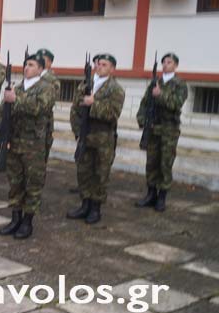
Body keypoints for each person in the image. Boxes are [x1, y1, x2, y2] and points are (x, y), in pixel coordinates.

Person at [0, 54, 56, 239]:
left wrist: (16, 100)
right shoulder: (18, 86)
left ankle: (27, 221)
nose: (26, 68)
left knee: (33, 183)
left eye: (31, 65)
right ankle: (15, 218)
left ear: (40, 69)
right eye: (25, 65)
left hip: (34, 144)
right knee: (15, 182)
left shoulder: (46, 88)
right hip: (15, 141)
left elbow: (41, 107)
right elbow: (4, 111)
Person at [67, 54, 126, 224]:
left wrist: (93, 103)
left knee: (100, 173)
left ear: (112, 69)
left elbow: (113, 113)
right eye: (98, 64)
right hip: (85, 134)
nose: (99, 66)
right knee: (83, 171)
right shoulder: (86, 84)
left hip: (103, 138)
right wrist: (77, 131)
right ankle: (84, 204)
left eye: (104, 64)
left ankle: (95, 208)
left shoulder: (116, 89)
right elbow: (75, 109)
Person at [135, 52, 188, 212]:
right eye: (164, 62)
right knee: (151, 162)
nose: (165, 65)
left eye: (169, 62)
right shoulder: (155, 82)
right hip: (152, 129)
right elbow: (145, 103)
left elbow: (176, 104)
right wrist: (142, 119)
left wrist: (161, 95)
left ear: (175, 65)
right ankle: (151, 194)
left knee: (165, 163)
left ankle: (162, 197)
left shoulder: (180, 84)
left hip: (168, 131)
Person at [37, 48, 60, 163]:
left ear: (50, 63)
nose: (40, 61)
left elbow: (49, 100)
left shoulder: (52, 79)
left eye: (43, 59)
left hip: (43, 122)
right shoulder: (32, 75)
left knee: (41, 156)